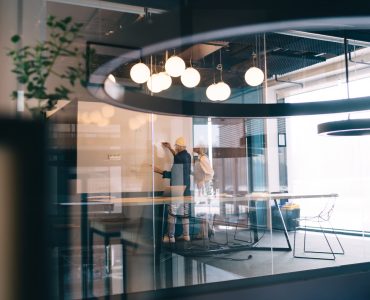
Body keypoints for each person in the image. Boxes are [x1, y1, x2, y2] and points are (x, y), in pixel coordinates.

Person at [153, 137, 192, 243]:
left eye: (176, 146)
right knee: (185, 214)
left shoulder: (179, 158)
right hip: (187, 190)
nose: (175, 148)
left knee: (172, 214)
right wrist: (170, 148)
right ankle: (186, 235)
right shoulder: (188, 156)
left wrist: (160, 171)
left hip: (177, 190)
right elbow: (179, 158)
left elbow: (174, 175)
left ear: (179, 147)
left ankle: (171, 237)